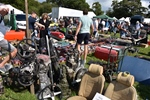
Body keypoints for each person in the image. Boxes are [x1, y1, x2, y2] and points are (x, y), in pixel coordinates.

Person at [0, 5, 17, 73]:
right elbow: (1, 9)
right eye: (6, 12)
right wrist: (4, 8)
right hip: (0, 39)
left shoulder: (1, 17)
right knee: (14, 51)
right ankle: (1, 65)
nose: (6, 14)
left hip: (1, 38)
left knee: (0, 53)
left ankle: (2, 66)